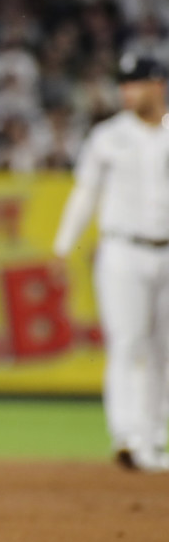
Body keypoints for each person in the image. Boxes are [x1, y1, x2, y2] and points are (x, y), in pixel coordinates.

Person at [53, 52, 169, 472]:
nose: (126, 91)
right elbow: (86, 194)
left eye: (135, 83)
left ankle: (154, 439)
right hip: (121, 248)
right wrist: (64, 246)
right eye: (123, 84)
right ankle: (127, 435)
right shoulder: (107, 136)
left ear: (158, 85)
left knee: (163, 351)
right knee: (127, 341)